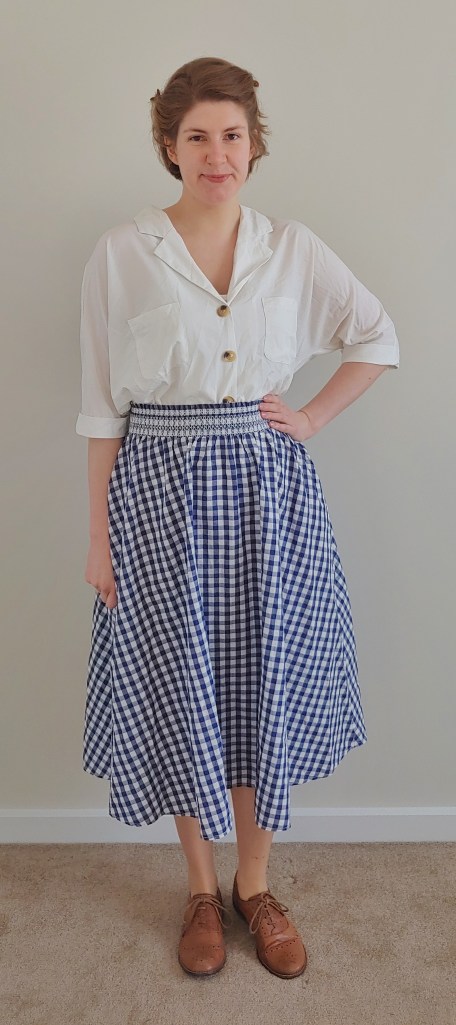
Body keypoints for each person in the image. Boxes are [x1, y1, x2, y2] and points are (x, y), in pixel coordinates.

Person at [76, 56, 399, 980]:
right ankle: (198, 890)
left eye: (231, 136)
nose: (216, 154)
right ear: (169, 149)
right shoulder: (121, 253)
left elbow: (377, 336)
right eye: (196, 138)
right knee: (184, 685)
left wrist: (310, 416)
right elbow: (102, 410)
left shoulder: (293, 248)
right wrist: (97, 537)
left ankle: (256, 886)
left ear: (254, 145)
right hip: (159, 495)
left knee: (261, 684)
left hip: (269, 494)